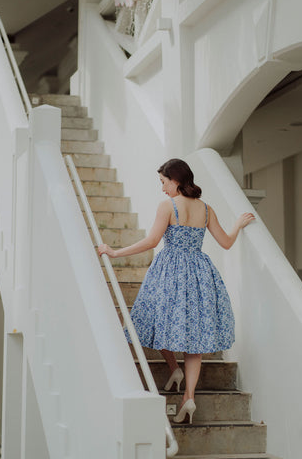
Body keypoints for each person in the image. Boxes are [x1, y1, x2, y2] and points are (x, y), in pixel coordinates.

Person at [98, 158, 255, 424]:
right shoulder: (206, 209)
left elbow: (152, 242)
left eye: (163, 182)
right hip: (200, 274)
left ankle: (174, 369)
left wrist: (114, 252)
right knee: (194, 340)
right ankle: (188, 396)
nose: (162, 188)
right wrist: (238, 224)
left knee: (156, 322)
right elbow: (226, 243)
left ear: (176, 180)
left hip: (170, 271)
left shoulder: (168, 206)